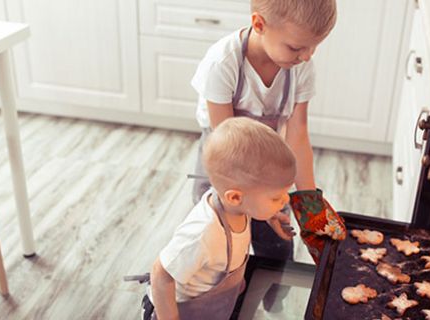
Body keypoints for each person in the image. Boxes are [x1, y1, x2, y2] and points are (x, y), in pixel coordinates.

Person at [190, 0, 344, 264]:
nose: (307, 56)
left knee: (277, 245)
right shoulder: (223, 63)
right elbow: (227, 144)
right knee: (221, 248)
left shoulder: (300, 66)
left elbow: (298, 134)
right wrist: (262, 208)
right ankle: (226, 295)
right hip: (224, 164)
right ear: (259, 24)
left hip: (269, 160)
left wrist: (309, 205)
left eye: (314, 46)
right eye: (297, 47)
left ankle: (273, 301)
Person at [144, 117, 297, 320]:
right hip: (180, 310)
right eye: (276, 197)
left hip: (213, 304)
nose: (286, 200)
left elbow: (251, 205)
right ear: (235, 197)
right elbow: (161, 274)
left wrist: (270, 215)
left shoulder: (237, 205)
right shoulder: (203, 234)